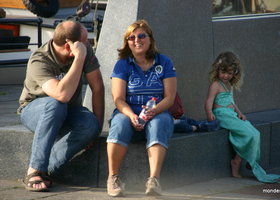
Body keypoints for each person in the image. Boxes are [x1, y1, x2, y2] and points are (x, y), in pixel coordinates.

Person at [17, 20, 105, 192]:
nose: (87, 44)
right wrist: (79, 58)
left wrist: (96, 131)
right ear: (68, 46)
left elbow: (98, 87)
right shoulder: (39, 60)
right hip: (35, 110)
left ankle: (46, 169)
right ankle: (34, 169)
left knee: (90, 124)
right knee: (55, 104)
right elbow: (61, 95)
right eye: (84, 40)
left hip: (69, 112)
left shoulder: (84, 48)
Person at [106, 19, 176, 197]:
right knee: (119, 123)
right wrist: (130, 115)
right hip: (128, 112)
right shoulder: (122, 64)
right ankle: (113, 178)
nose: (137, 40)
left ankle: (154, 180)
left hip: (158, 111)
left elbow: (170, 98)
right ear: (127, 43)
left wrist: (155, 111)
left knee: (159, 123)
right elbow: (119, 99)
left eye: (141, 35)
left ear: (150, 39)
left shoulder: (165, 62)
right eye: (131, 37)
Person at [204, 51, 280, 183]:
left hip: (232, 115)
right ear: (217, 70)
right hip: (222, 115)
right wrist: (209, 113)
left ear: (234, 73)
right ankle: (237, 163)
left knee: (255, 133)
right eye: (223, 72)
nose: (226, 76)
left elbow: (232, 102)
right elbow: (208, 101)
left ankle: (240, 160)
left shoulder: (229, 85)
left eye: (229, 73)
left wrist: (239, 112)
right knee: (248, 134)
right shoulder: (216, 85)